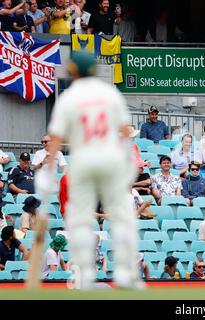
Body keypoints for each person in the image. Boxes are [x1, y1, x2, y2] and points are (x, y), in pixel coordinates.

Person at [43, 51, 141, 289]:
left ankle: (83, 274)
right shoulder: (109, 93)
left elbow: (55, 138)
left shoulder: (69, 97)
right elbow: (126, 132)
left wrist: (47, 170)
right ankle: (126, 273)